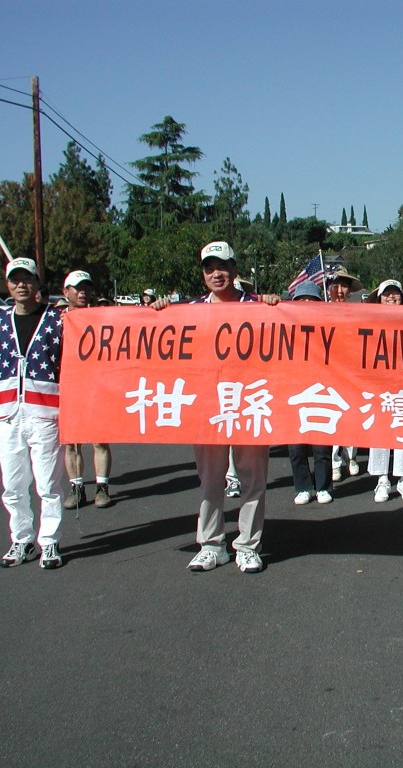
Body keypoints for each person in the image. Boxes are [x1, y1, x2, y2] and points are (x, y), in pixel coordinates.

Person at [152, 241, 280, 573]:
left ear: (235, 270)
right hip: (208, 406)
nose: (216, 274)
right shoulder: (189, 311)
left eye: (222, 267)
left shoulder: (259, 307)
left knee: (252, 479)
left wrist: (273, 305)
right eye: (209, 269)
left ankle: (248, 545)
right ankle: (211, 545)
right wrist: (160, 310)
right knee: (210, 479)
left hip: (251, 403)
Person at [0, 257, 66, 569]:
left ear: (36, 283)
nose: (21, 285)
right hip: (7, 414)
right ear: (8, 285)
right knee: (13, 484)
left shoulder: (56, 321)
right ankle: (22, 539)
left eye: (27, 279)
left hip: (45, 413)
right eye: (15, 280)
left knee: (48, 484)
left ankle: (50, 542)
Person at [60, 270, 114, 510]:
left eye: (87, 287)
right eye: (77, 288)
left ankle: (102, 487)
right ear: (66, 292)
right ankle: (76, 488)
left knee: (99, 441)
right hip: (68, 387)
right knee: (71, 443)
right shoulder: (58, 320)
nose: (83, 292)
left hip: (96, 387)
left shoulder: (102, 317)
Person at [365, 280, 403, 502]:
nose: (391, 297)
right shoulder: (369, 320)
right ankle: (382, 479)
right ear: (379, 299)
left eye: (396, 293)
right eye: (387, 294)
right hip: (378, 384)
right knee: (380, 433)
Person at [286, 280, 334, 504]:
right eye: (301, 299)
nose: (306, 302)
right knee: (296, 446)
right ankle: (303, 487)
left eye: (311, 299)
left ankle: (323, 487)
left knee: (322, 446)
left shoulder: (328, 325)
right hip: (294, 390)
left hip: (321, 389)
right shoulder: (286, 325)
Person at [326, 267, 363, 481]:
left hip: (352, 372)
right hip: (328, 373)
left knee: (351, 416)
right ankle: (334, 461)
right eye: (335, 285)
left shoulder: (358, 313)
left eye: (344, 286)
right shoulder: (319, 311)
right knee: (331, 416)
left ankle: (351, 456)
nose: (339, 291)